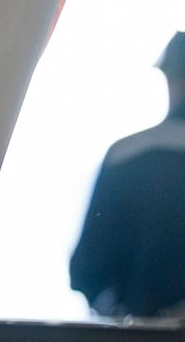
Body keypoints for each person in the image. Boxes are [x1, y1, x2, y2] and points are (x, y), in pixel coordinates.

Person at [70, 34, 185, 319]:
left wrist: (119, 311)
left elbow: (86, 268)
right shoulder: (124, 153)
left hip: (132, 340)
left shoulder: (124, 153)